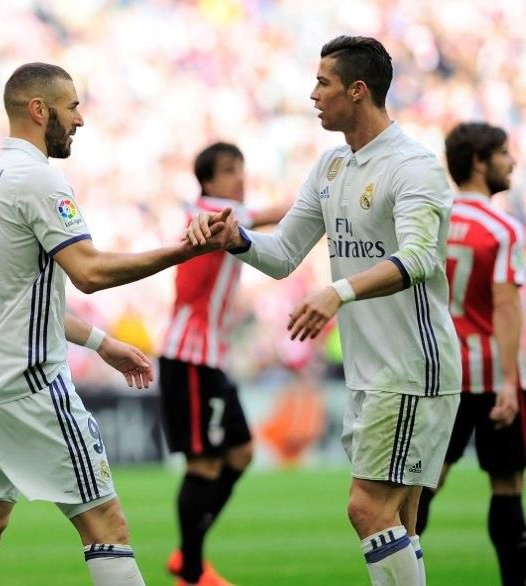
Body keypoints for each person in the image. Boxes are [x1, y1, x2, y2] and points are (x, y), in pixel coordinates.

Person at [0, 62, 228, 586]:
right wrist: (182, 250)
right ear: (39, 110)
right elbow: (88, 272)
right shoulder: (38, 178)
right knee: (106, 524)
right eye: (73, 107)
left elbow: (16, 300)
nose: (80, 119)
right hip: (28, 381)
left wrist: (101, 342)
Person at [185, 36, 462, 586]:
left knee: (367, 509)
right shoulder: (331, 166)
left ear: (357, 91)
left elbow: (419, 259)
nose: (312, 94)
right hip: (370, 371)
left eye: (322, 83)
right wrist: (236, 238)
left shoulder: (413, 167)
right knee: (399, 520)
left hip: (411, 367)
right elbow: (284, 254)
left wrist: (340, 291)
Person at [158, 142, 285, 586]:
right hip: (188, 357)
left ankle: (189, 554)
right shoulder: (215, 213)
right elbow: (279, 214)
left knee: (241, 452)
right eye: (230, 170)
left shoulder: (217, 214)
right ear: (208, 181)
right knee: (204, 465)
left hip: (211, 359)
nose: (240, 177)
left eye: (241, 168)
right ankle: (192, 571)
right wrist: (332, 196)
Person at [415, 122, 525, 585]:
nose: (512, 161)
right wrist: (509, 381)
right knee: (507, 484)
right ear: (479, 162)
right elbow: (505, 306)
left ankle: (396, 575)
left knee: (423, 485)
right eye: (503, 153)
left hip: (438, 373)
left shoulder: (431, 218)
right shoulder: (503, 229)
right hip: (489, 374)